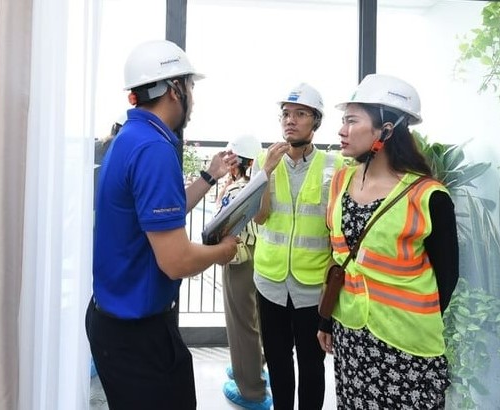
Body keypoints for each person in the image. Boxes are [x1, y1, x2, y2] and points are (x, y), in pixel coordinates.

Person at [86, 39, 240, 410]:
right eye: (190, 86)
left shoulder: (130, 138)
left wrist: (208, 176)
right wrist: (223, 251)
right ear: (174, 90)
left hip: (115, 323)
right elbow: (175, 260)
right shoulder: (154, 149)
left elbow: (159, 214)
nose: (192, 97)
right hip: (138, 335)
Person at [317, 74, 459, 409]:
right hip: (351, 335)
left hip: (407, 347)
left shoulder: (429, 196)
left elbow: (447, 278)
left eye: (352, 121)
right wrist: (327, 319)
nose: (341, 130)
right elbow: (339, 258)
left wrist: (407, 323)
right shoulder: (341, 181)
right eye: (343, 120)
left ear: (386, 129)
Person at [252, 83, 337, 409]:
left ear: (315, 122)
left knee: (312, 364)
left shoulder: (334, 166)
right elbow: (260, 218)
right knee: (278, 361)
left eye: (300, 114)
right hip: (270, 281)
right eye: (286, 114)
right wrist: (265, 174)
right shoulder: (265, 160)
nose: (290, 120)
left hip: (312, 286)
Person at [215, 135, 272, 410]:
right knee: (254, 320)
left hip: (238, 260)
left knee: (241, 325)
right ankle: (255, 369)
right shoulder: (256, 185)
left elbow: (223, 227)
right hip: (258, 258)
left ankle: (251, 389)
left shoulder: (236, 190)